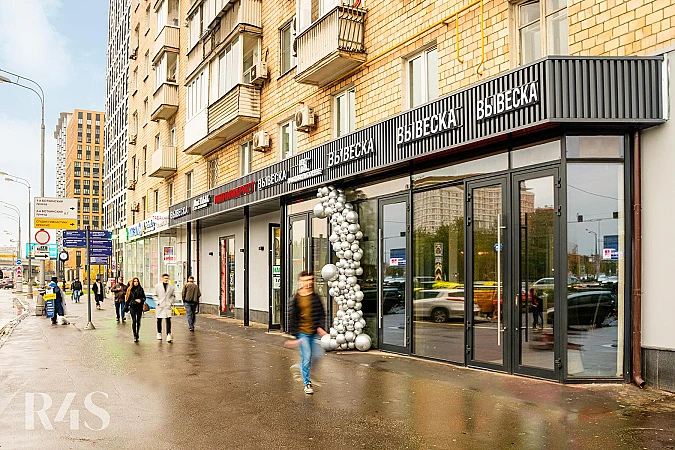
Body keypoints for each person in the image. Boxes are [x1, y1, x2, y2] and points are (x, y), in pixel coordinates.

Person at [287, 270, 327, 395]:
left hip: (313, 332)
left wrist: (320, 328)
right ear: (300, 281)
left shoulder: (315, 297)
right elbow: (292, 317)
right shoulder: (296, 298)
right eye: (305, 280)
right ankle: (307, 383)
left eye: (310, 280)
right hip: (302, 333)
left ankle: (299, 367)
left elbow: (321, 314)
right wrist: (295, 336)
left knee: (318, 355)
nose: (308, 283)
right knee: (307, 356)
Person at [155, 273, 175, 342]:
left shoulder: (171, 287)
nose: (166, 280)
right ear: (162, 279)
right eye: (165, 278)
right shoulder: (157, 286)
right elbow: (155, 295)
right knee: (159, 319)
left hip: (167, 305)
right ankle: (159, 333)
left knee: (168, 319)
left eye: (167, 278)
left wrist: (170, 302)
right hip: (160, 305)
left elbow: (173, 295)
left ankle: (168, 334)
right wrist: (158, 302)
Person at [125, 278, 146, 342]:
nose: (136, 282)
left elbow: (144, 298)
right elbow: (128, 298)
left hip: (139, 307)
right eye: (134, 281)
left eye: (137, 281)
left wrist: (140, 300)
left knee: (138, 321)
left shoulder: (141, 289)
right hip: (132, 306)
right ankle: (135, 335)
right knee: (134, 320)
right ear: (133, 282)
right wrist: (126, 306)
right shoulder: (130, 289)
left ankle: (137, 333)